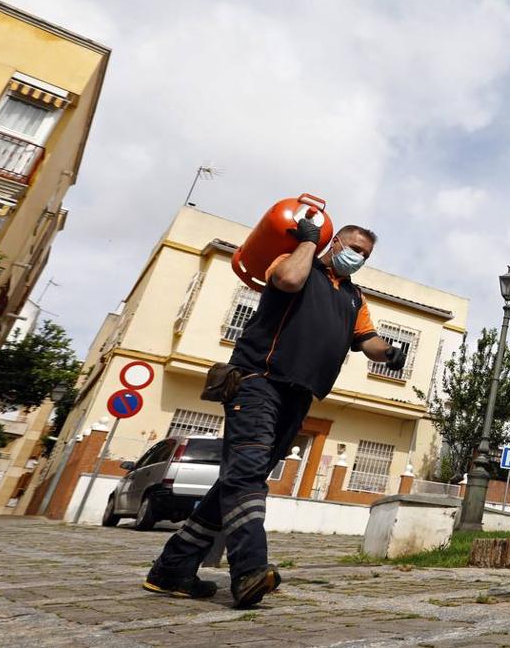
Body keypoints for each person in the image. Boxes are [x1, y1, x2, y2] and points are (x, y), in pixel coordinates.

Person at [142, 220, 406, 608]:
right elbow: (287, 280)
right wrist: (307, 244)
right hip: (257, 381)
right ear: (333, 243)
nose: (358, 257)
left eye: (365, 254)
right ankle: (249, 570)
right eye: (352, 247)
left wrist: (391, 352)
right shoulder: (295, 263)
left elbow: (367, 340)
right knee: (247, 472)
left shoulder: (354, 299)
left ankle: (171, 569)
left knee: (236, 481)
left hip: (300, 396)